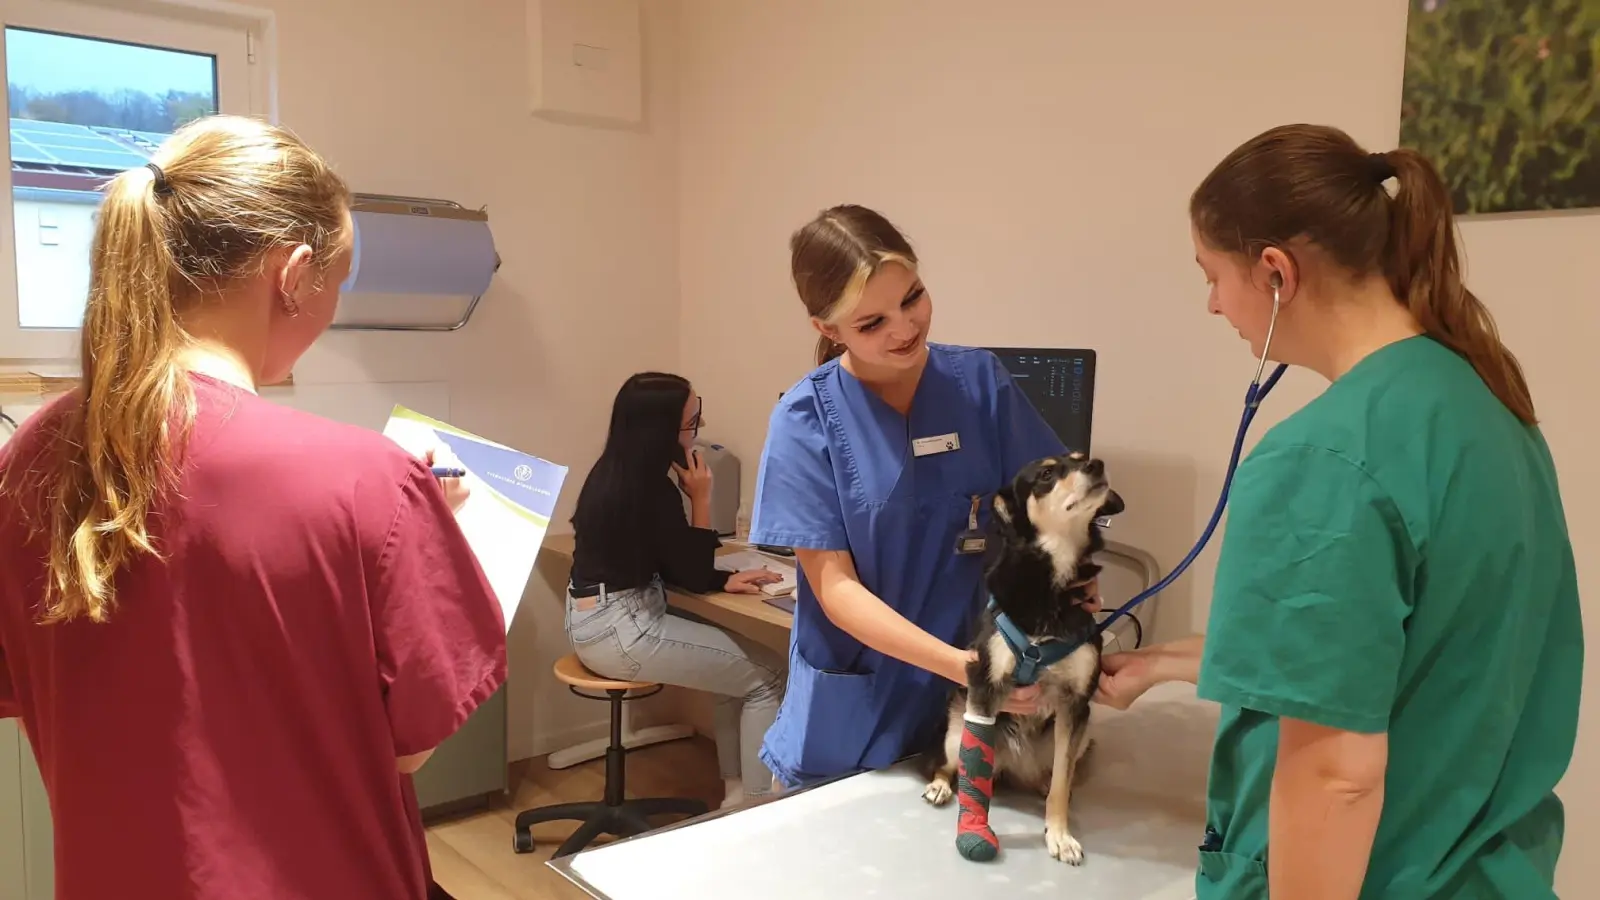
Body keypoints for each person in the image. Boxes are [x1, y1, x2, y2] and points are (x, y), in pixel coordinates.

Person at [0, 116, 507, 900]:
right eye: (335, 287)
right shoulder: (369, 481)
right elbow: (407, 752)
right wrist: (446, 533)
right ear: (294, 274)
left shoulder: (30, 458)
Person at [1095, 124, 1582, 899]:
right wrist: (1160, 664)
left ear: (1276, 271)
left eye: (1213, 276)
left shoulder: (1321, 460)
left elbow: (1337, 775)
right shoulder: (1487, 405)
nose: (1213, 305)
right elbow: (1393, 651)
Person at [746, 204, 1090, 790]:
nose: (904, 329)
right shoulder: (806, 419)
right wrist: (972, 670)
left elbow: (1053, 507)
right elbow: (835, 589)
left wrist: (1075, 585)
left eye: (912, 299)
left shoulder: (979, 383)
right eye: (871, 323)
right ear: (829, 330)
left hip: (982, 716)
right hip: (862, 712)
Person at [566, 372, 787, 808]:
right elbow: (689, 568)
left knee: (738, 675)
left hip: (596, 618)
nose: (696, 433)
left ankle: (736, 794)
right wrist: (701, 498)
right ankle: (759, 806)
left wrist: (723, 580)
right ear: (662, 429)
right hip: (622, 629)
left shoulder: (613, 471)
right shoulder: (648, 488)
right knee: (769, 677)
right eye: (692, 424)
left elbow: (671, 564)